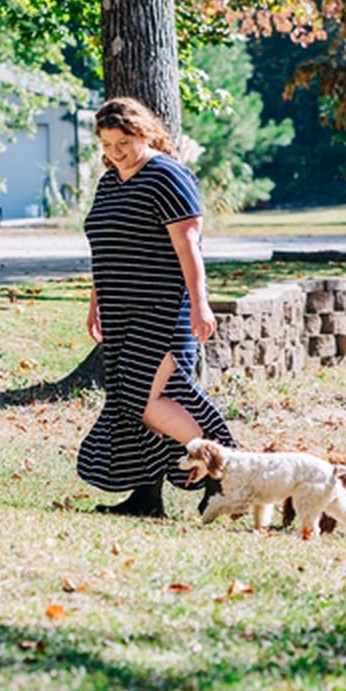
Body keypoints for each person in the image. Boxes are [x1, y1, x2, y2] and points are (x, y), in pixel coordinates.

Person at [79, 96, 238, 517]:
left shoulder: (168, 176)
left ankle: (225, 474)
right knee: (129, 403)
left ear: (145, 133)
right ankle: (146, 499)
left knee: (151, 401)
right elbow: (105, 247)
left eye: (123, 141)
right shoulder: (110, 182)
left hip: (164, 308)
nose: (115, 152)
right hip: (119, 309)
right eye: (107, 143)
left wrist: (200, 304)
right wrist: (96, 301)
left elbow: (190, 246)